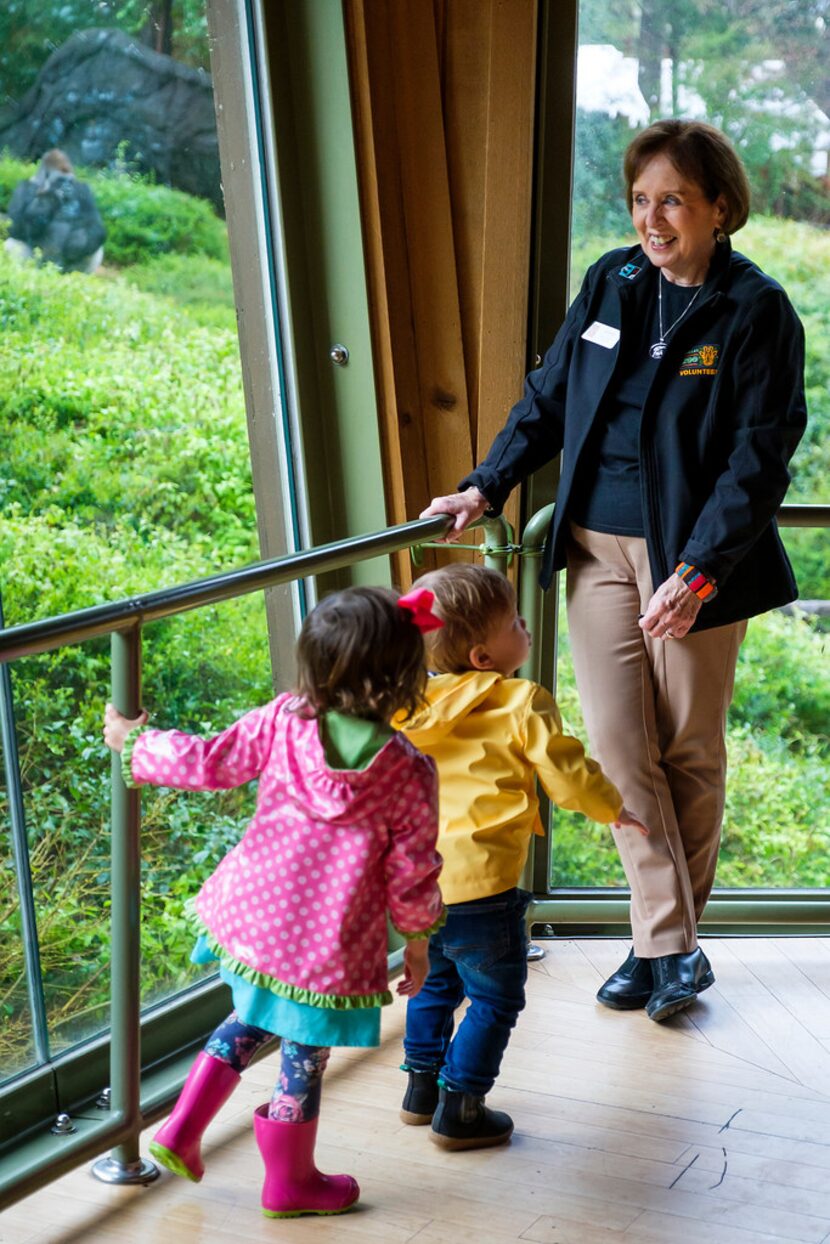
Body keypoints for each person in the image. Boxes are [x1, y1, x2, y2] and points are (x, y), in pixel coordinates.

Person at [420, 119, 807, 1023]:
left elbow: (759, 460)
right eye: (641, 199)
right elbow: (549, 398)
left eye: (673, 199)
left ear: (720, 207)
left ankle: (656, 945)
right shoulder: (612, 280)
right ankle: (672, 946)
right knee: (622, 751)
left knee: (689, 752)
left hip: (699, 564)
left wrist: (700, 571)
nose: (653, 217)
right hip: (596, 547)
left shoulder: (757, 311)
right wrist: (486, 485)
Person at [102, 586, 444, 1219]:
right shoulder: (408, 773)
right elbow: (413, 876)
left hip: (259, 919)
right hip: (326, 947)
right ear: (405, 676)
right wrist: (417, 945)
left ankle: (179, 1130)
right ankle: (290, 1183)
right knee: (303, 1058)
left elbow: (210, 762)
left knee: (250, 1018)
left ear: (314, 667)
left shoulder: (284, 720)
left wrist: (134, 743)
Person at [394, 564, 647, 1149]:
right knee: (495, 996)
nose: (526, 624)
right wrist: (611, 807)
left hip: (418, 884)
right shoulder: (521, 699)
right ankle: (461, 1107)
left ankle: (420, 1090)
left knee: (433, 986)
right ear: (484, 656)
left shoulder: (403, 705)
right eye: (513, 621)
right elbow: (567, 774)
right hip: (484, 888)